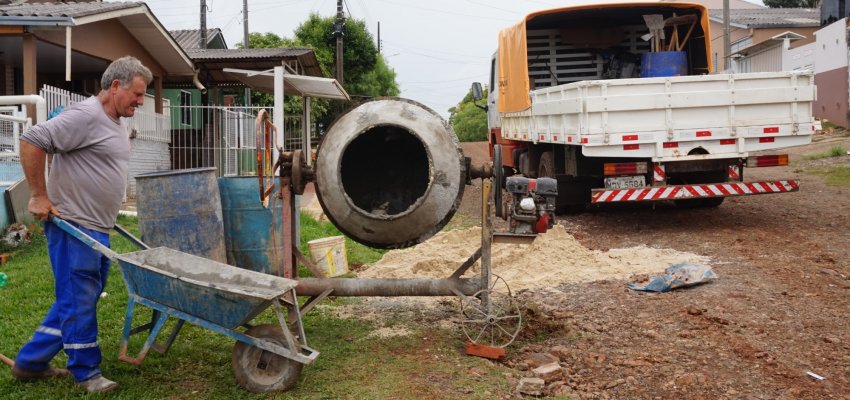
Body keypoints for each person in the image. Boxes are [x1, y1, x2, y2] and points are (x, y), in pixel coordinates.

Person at [12, 56, 152, 393]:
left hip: (96, 226)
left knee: (78, 298)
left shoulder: (111, 121)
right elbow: (33, 139)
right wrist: (38, 196)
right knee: (79, 299)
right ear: (115, 86)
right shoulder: (85, 115)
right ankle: (87, 373)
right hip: (73, 224)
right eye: (137, 93)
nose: (141, 101)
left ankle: (30, 363)